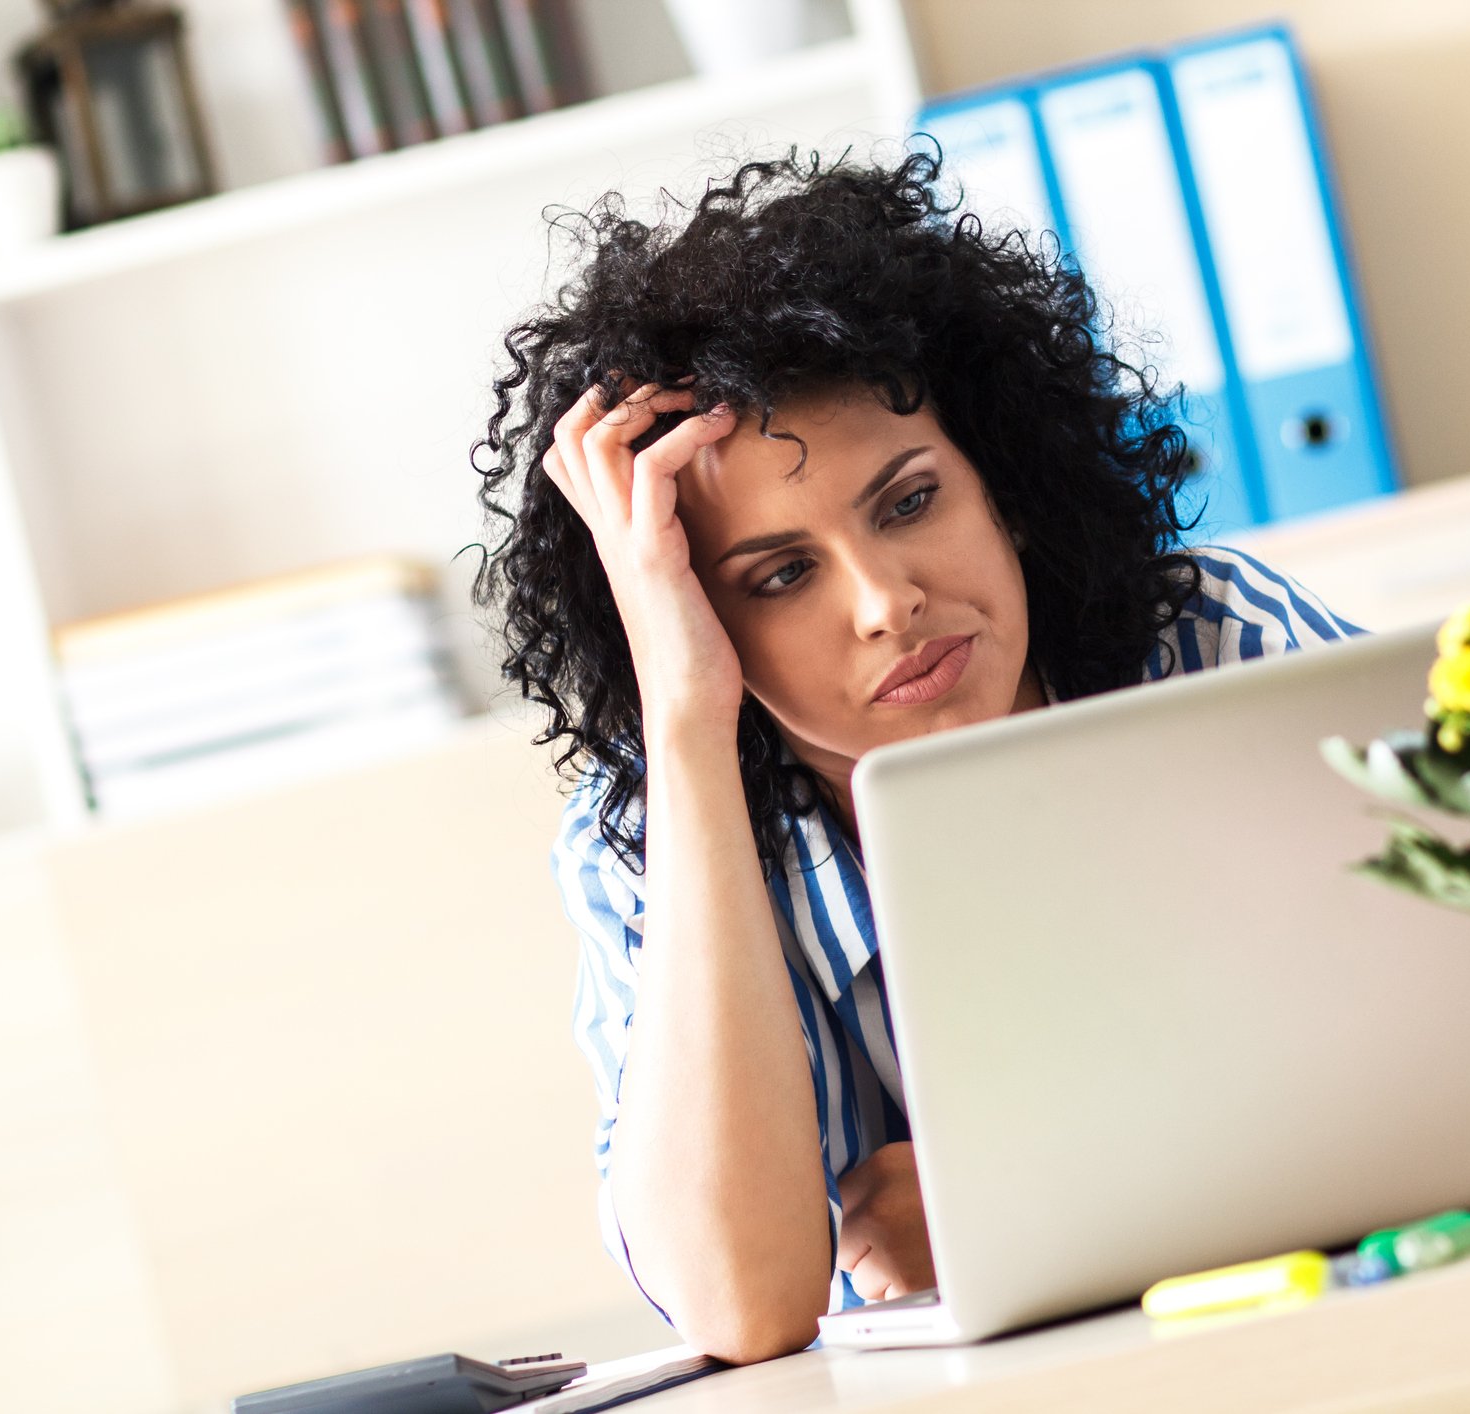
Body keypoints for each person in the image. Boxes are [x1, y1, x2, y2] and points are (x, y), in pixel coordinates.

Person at [470, 145, 1367, 1366]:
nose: (887, 602)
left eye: (907, 502)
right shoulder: (647, 835)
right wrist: (681, 719)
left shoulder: (1213, 634)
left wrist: (1050, 1196)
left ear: (999, 479)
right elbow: (741, 1299)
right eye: (778, 577)